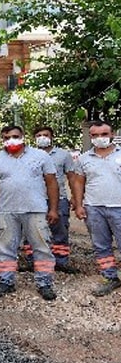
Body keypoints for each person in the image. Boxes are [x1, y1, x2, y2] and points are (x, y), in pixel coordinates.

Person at [0, 125, 59, 301]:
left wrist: (53, 209)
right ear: (2, 139)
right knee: (5, 248)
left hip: (36, 210)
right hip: (6, 211)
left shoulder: (41, 156)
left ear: (23, 136)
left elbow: (51, 183)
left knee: (42, 247)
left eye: (15, 136)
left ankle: (45, 283)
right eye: (7, 137)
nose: (11, 140)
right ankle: (5, 281)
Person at [20, 126, 79, 274]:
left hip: (59, 199)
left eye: (45, 135)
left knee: (60, 230)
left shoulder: (63, 155)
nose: (42, 137)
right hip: (33, 199)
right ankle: (32, 261)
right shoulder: (27, 155)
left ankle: (61, 261)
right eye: (38, 135)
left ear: (52, 137)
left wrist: (75, 198)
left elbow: (72, 177)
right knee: (30, 231)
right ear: (34, 138)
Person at [72, 121, 121, 297]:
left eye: (104, 134)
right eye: (95, 135)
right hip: (94, 209)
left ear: (112, 134)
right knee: (101, 246)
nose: (100, 138)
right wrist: (78, 205)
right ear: (90, 137)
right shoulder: (84, 159)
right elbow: (78, 183)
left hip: (119, 208)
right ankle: (110, 277)